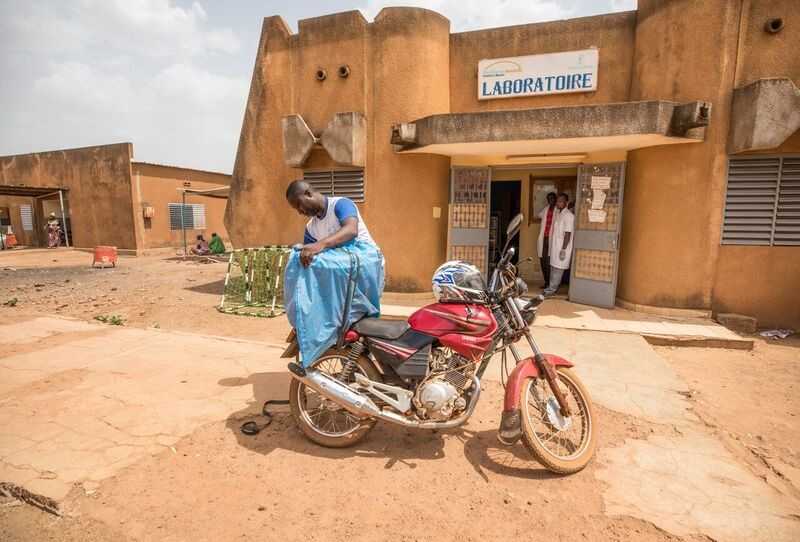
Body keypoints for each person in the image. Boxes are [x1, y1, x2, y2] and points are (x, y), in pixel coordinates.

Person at [285, 180, 378, 267]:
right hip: (342, 272)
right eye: (296, 209)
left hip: (366, 265)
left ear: (308, 194)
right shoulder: (310, 228)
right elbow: (310, 254)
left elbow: (351, 230)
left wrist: (319, 245)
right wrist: (301, 250)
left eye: (299, 205)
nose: (300, 212)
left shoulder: (340, 204)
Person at [543, 193, 574, 296]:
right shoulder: (559, 214)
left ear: (566, 203)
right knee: (553, 268)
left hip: (562, 248)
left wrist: (563, 249)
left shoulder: (569, 216)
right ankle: (551, 288)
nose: (558, 203)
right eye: (558, 201)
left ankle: (552, 290)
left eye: (561, 201)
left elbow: (568, 234)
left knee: (558, 269)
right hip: (555, 247)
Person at [537, 192, 557, 288]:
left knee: (550, 261)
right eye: (549, 199)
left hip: (552, 239)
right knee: (543, 260)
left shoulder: (558, 210)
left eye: (552, 198)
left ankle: (551, 283)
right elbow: (539, 215)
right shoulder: (546, 209)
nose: (550, 200)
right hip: (544, 238)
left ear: (555, 199)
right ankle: (546, 282)